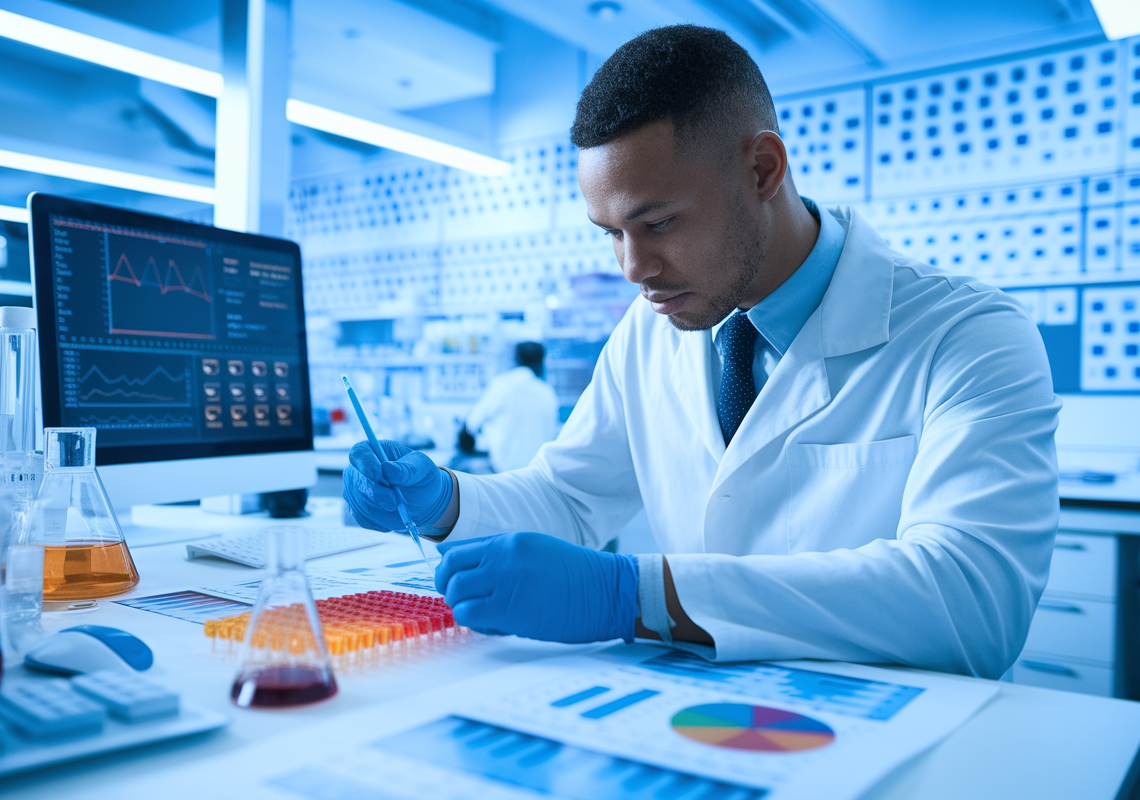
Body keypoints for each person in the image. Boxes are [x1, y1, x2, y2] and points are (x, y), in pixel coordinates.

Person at [343, 25, 1059, 678]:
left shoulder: (967, 334)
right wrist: (446, 501)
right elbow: (569, 497)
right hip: (695, 723)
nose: (633, 267)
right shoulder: (650, 329)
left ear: (763, 170)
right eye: (611, 232)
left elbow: (973, 603)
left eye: (657, 223)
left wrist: (634, 596)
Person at [463, 342, 559, 473]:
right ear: (542, 362)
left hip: (502, 471)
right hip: (538, 472)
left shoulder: (503, 384)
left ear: (516, 359)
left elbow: (472, 423)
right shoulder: (547, 392)